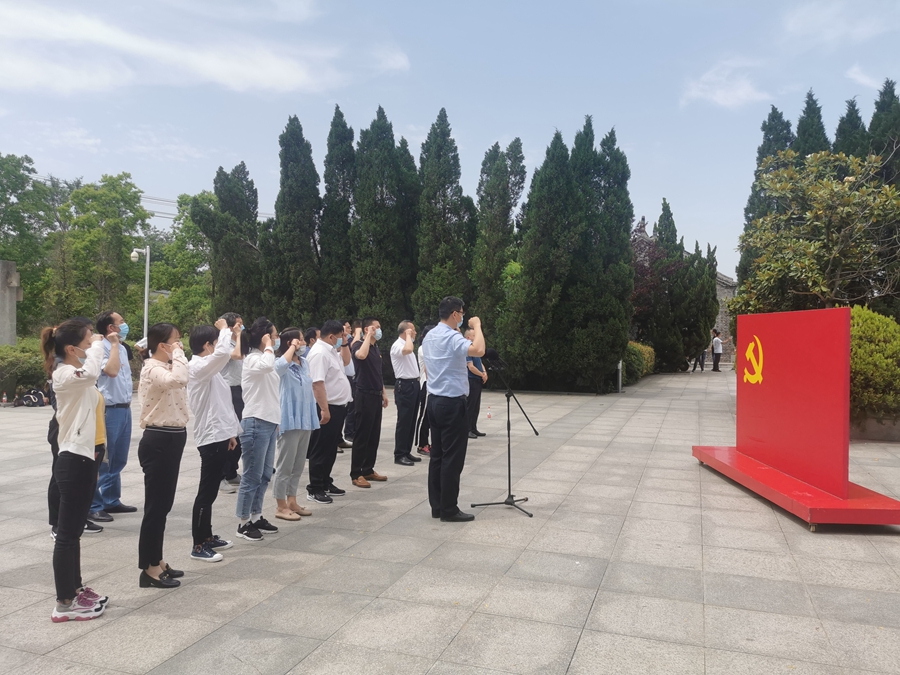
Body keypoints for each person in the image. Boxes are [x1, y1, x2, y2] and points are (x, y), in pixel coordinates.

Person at [42, 319, 109, 621]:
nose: (92, 345)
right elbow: (92, 371)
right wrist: (99, 345)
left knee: (74, 531)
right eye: (87, 342)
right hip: (72, 460)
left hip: (85, 458)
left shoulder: (76, 375)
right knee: (67, 535)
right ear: (71, 349)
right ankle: (64, 604)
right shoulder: (64, 375)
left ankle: (76, 589)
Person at [423, 296, 484, 522]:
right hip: (451, 402)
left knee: (437, 456)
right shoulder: (451, 336)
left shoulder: (430, 335)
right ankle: (449, 509)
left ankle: (437, 506)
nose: (464, 317)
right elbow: (478, 349)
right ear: (455, 314)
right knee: (452, 458)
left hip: (434, 400)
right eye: (462, 313)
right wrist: (477, 326)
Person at [137, 323, 189, 589]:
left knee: (164, 505)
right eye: (176, 341)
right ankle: (149, 568)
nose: (180, 345)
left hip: (173, 436)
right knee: (156, 507)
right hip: (159, 438)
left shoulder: (168, 366)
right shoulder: (153, 368)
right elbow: (177, 380)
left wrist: (176, 356)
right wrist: (178, 354)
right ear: (162, 345)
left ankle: (157, 560)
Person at [187, 319, 243, 563]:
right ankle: (198, 545)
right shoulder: (197, 367)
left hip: (220, 434)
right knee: (206, 492)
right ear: (207, 345)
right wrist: (225, 330)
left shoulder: (210, 369)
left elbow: (222, 404)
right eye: (218, 341)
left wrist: (231, 433)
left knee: (210, 493)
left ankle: (207, 536)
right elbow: (222, 354)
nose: (222, 345)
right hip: (210, 437)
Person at [235, 318, 281, 542]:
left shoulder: (264, 357)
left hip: (269, 422)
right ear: (265, 337)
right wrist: (269, 346)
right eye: (274, 335)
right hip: (255, 422)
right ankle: (243, 522)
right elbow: (267, 365)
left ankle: (256, 515)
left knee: (264, 474)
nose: (277, 339)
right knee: (252, 475)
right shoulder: (253, 359)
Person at [88, 311, 136, 523]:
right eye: (121, 322)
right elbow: (111, 371)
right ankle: (93, 505)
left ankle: (111, 499)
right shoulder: (100, 348)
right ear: (111, 327)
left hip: (124, 407)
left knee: (119, 458)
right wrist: (114, 345)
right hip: (109, 408)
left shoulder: (122, 348)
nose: (124, 325)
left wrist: (118, 345)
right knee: (104, 460)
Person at [272, 328, 318, 521]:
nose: (304, 343)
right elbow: (279, 368)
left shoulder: (304, 362)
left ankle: (292, 500)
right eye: (300, 340)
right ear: (291, 343)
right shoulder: (279, 362)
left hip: (305, 418)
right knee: (285, 465)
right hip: (289, 419)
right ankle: (280, 505)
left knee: (298, 464)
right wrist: (291, 347)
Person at [305, 320, 353, 504]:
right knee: (320, 448)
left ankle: (326, 481)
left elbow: (346, 361)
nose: (342, 339)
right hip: (326, 406)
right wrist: (324, 409)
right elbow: (317, 383)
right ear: (331, 336)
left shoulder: (331, 350)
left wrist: (345, 343)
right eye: (340, 336)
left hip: (338, 406)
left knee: (331, 448)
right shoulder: (319, 353)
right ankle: (315, 487)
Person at [349, 317, 389, 488]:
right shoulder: (359, 345)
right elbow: (361, 355)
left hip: (376, 394)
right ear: (367, 329)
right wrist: (366, 337)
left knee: (374, 434)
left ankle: (368, 469)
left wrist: (384, 393)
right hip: (364, 394)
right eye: (376, 327)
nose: (379, 330)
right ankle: (356, 473)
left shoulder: (375, 348)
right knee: (362, 435)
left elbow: (377, 372)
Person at [218, 313, 246, 494]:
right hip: (228, 390)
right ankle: (221, 475)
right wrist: (237, 335)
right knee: (229, 433)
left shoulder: (238, 341)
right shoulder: (224, 343)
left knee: (240, 432)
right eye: (238, 324)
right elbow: (236, 355)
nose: (241, 327)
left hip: (241, 389)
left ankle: (231, 472)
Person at [391, 320, 421, 466]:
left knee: (412, 419)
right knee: (404, 421)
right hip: (405, 385)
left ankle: (406, 450)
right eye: (412, 330)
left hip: (414, 384)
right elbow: (408, 350)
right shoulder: (398, 345)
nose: (415, 332)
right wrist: (408, 336)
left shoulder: (407, 344)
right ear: (405, 331)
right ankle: (399, 454)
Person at [414, 324, 436, 457]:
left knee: (432, 417)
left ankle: (430, 443)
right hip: (426, 384)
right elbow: (429, 368)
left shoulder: (432, 348)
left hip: (434, 385)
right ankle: (421, 444)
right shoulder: (423, 348)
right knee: (424, 416)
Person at [465, 328, 488, 440]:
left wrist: (484, 372)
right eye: (474, 335)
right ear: (468, 337)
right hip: (471, 380)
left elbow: (480, 362)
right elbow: (471, 367)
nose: (476, 337)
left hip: (478, 379)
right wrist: (481, 374)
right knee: (470, 405)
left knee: (476, 406)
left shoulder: (476, 349)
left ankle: (473, 427)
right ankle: (468, 429)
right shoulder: (468, 349)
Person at [342, 319, 362, 445]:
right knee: (350, 408)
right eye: (348, 327)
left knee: (354, 407)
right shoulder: (347, 341)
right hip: (346, 377)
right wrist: (358, 333)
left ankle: (352, 431)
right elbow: (353, 345)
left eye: (350, 327)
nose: (349, 330)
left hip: (353, 377)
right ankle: (349, 433)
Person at [337, 320, 355, 452]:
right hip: (339, 383)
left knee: (347, 412)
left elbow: (347, 360)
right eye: (346, 329)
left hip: (349, 380)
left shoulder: (345, 345)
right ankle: (335, 441)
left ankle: (339, 439)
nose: (348, 331)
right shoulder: (331, 350)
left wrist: (345, 344)